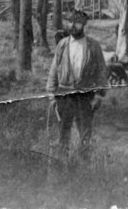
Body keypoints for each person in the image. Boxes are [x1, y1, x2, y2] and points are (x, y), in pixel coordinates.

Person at [46, 10, 109, 165]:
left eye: (78, 23)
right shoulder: (62, 45)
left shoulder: (93, 46)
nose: (73, 26)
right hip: (64, 94)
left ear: (84, 25)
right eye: (71, 22)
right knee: (63, 133)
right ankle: (62, 165)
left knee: (85, 133)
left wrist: (99, 95)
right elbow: (54, 69)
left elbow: (102, 71)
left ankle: (84, 165)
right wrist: (51, 94)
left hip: (85, 96)